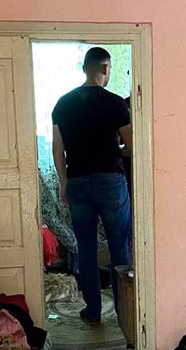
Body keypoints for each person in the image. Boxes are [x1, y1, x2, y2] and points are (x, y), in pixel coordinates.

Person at [52, 47, 133, 325]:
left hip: (78, 183)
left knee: (85, 249)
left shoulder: (63, 103)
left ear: (84, 68)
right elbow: (131, 145)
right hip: (111, 183)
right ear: (105, 68)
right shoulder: (116, 103)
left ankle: (93, 311)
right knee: (119, 249)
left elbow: (58, 150)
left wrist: (63, 182)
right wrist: (113, 151)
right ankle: (124, 314)